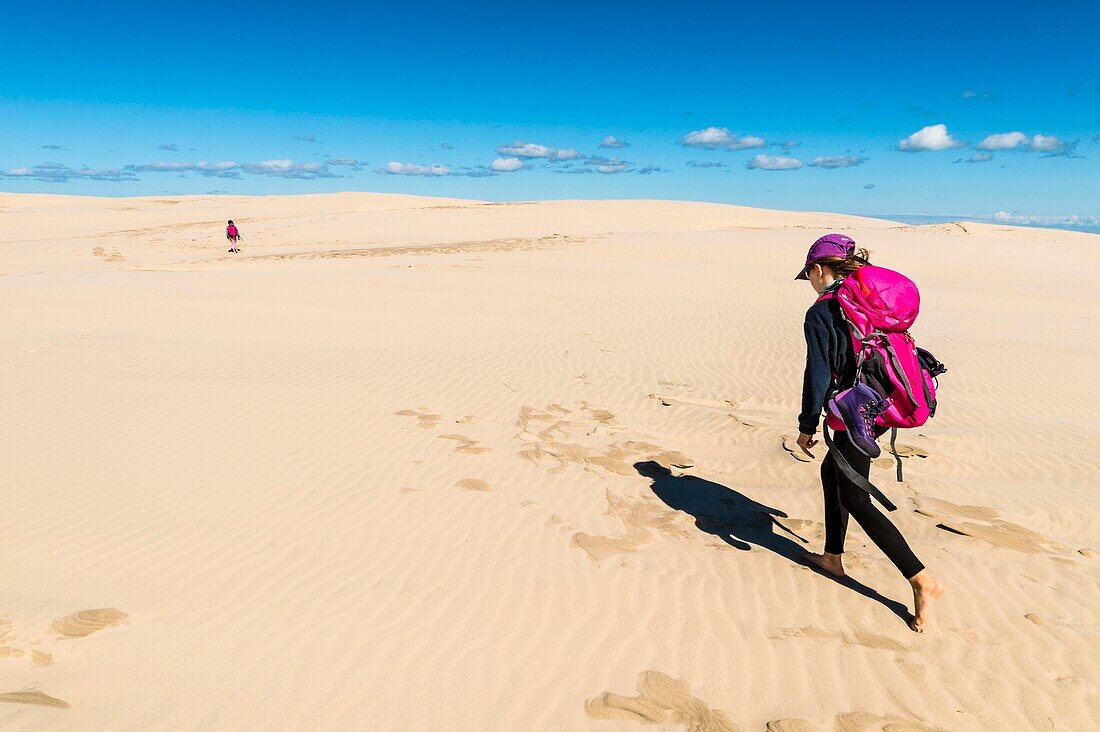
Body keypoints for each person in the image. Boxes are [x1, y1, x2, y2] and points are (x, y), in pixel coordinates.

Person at [793, 233, 945, 632]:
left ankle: (920, 579)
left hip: (851, 412)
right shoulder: (870, 303)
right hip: (880, 404)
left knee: (856, 496)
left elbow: (818, 373)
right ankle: (833, 556)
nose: (809, 281)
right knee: (833, 473)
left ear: (818, 269)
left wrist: (807, 424)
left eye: (808, 274)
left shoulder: (823, 311)